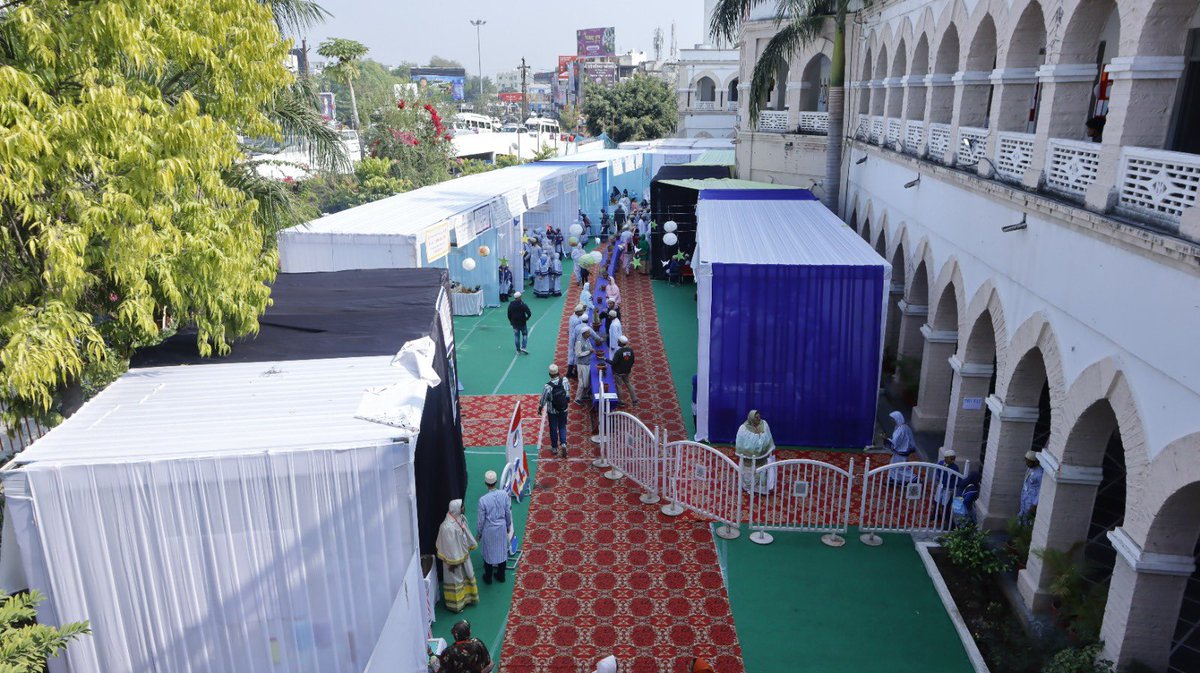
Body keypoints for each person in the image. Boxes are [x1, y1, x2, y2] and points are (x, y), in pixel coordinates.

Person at [435, 500, 479, 612]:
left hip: (463, 555)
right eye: (462, 507)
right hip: (453, 561)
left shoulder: (461, 518)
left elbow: (466, 533)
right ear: (457, 509)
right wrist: (453, 562)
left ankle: (468, 599)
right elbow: (449, 547)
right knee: (456, 581)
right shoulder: (446, 527)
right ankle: (456, 606)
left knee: (467, 574)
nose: (463, 508)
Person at [476, 470, 512, 584]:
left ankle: (488, 577)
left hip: (489, 529)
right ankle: (501, 575)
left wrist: (479, 533)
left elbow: (481, 520)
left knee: (488, 552)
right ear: (496, 482)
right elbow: (508, 512)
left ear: (486, 483)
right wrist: (508, 524)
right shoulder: (504, 495)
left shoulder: (483, 500)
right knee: (502, 550)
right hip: (501, 527)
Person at [735, 410, 775, 493]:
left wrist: (761, 447)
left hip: (762, 458)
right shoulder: (743, 429)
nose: (758, 418)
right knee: (749, 471)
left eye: (759, 416)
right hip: (748, 459)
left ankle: (761, 490)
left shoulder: (764, 424)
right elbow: (741, 445)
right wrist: (754, 448)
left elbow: (767, 439)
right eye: (756, 417)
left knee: (762, 471)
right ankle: (747, 486)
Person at [538, 365, 571, 458]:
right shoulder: (565, 380)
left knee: (553, 428)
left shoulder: (547, 386)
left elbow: (543, 400)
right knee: (562, 426)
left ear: (549, 374)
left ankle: (554, 448)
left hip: (552, 411)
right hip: (563, 409)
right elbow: (568, 393)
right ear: (558, 372)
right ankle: (563, 444)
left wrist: (540, 409)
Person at [886, 411, 918, 484]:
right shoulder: (905, 427)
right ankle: (894, 478)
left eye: (893, 419)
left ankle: (912, 478)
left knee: (898, 467)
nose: (892, 421)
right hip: (904, 450)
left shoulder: (900, 430)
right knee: (895, 466)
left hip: (901, 451)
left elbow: (895, 442)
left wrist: (887, 441)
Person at [932, 449, 963, 520]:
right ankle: (935, 515)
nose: (953, 460)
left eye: (953, 458)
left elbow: (957, 477)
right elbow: (938, 473)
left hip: (949, 488)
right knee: (937, 501)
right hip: (941, 486)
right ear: (946, 458)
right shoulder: (940, 463)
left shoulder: (955, 467)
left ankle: (946, 518)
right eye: (951, 458)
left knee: (945, 504)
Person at [607, 335, 638, 406]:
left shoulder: (619, 352)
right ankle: (634, 400)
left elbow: (613, 363)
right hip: (627, 371)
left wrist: (605, 359)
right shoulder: (630, 350)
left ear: (620, 343)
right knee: (628, 384)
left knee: (619, 386)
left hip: (618, 372)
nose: (617, 342)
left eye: (618, 341)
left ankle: (621, 401)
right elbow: (632, 361)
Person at [1018, 450, 1043, 523]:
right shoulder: (1030, 468)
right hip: (1025, 496)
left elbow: (1040, 490)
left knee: (1028, 518)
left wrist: (1035, 504)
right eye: (1026, 461)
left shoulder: (1039, 473)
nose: (1026, 463)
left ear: (1034, 462)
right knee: (1022, 514)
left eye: (1028, 461)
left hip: (1032, 499)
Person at [574, 327, 595, 404]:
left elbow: (590, 347)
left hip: (587, 363)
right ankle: (577, 399)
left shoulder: (587, 339)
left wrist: (591, 350)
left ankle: (584, 395)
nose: (589, 334)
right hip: (582, 364)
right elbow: (578, 354)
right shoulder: (579, 342)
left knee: (586, 382)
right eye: (588, 333)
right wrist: (589, 352)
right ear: (584, 333)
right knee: (582, 383)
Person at [567, 304, 586, 378]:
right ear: (577, 312)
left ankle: (569, 372)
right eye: (581, 311)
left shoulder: (572, 317)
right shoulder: (577, 320)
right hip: (575, 339)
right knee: (576, 356)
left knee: (571, 354)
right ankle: (575, 373)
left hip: (571, 337)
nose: (582, 312)